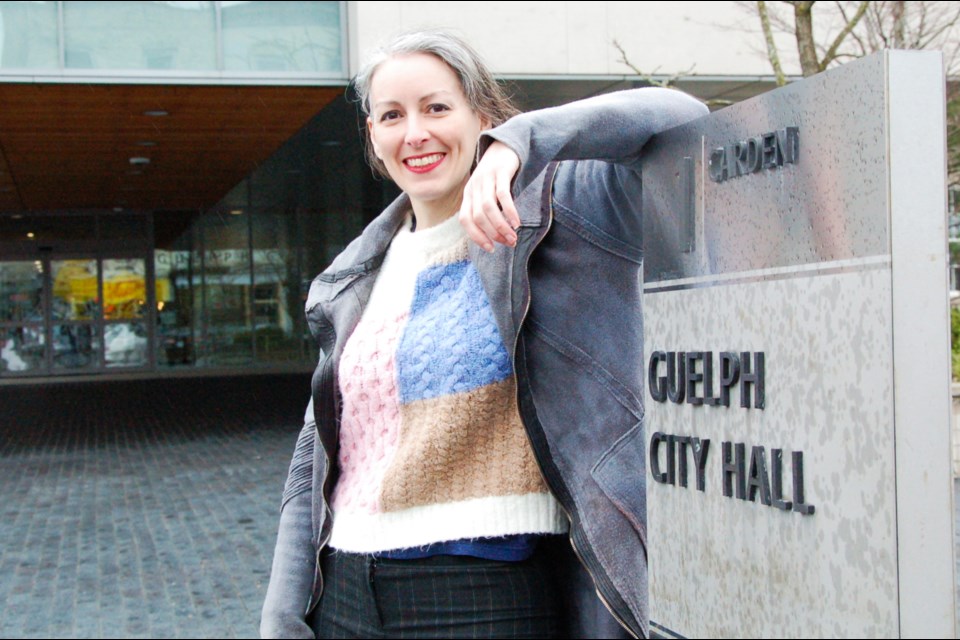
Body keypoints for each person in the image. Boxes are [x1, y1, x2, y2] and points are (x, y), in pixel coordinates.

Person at [260, 29, 708, 640]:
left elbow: (680, 116)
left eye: (437, 107)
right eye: (391, 115)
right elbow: (315, 463)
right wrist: (283, 615)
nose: (414, 131)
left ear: (482, 115)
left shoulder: (560, 210)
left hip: (483, 594)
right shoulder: (356, 274)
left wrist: (516, 147)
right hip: (343, 593)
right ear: (373, 137)